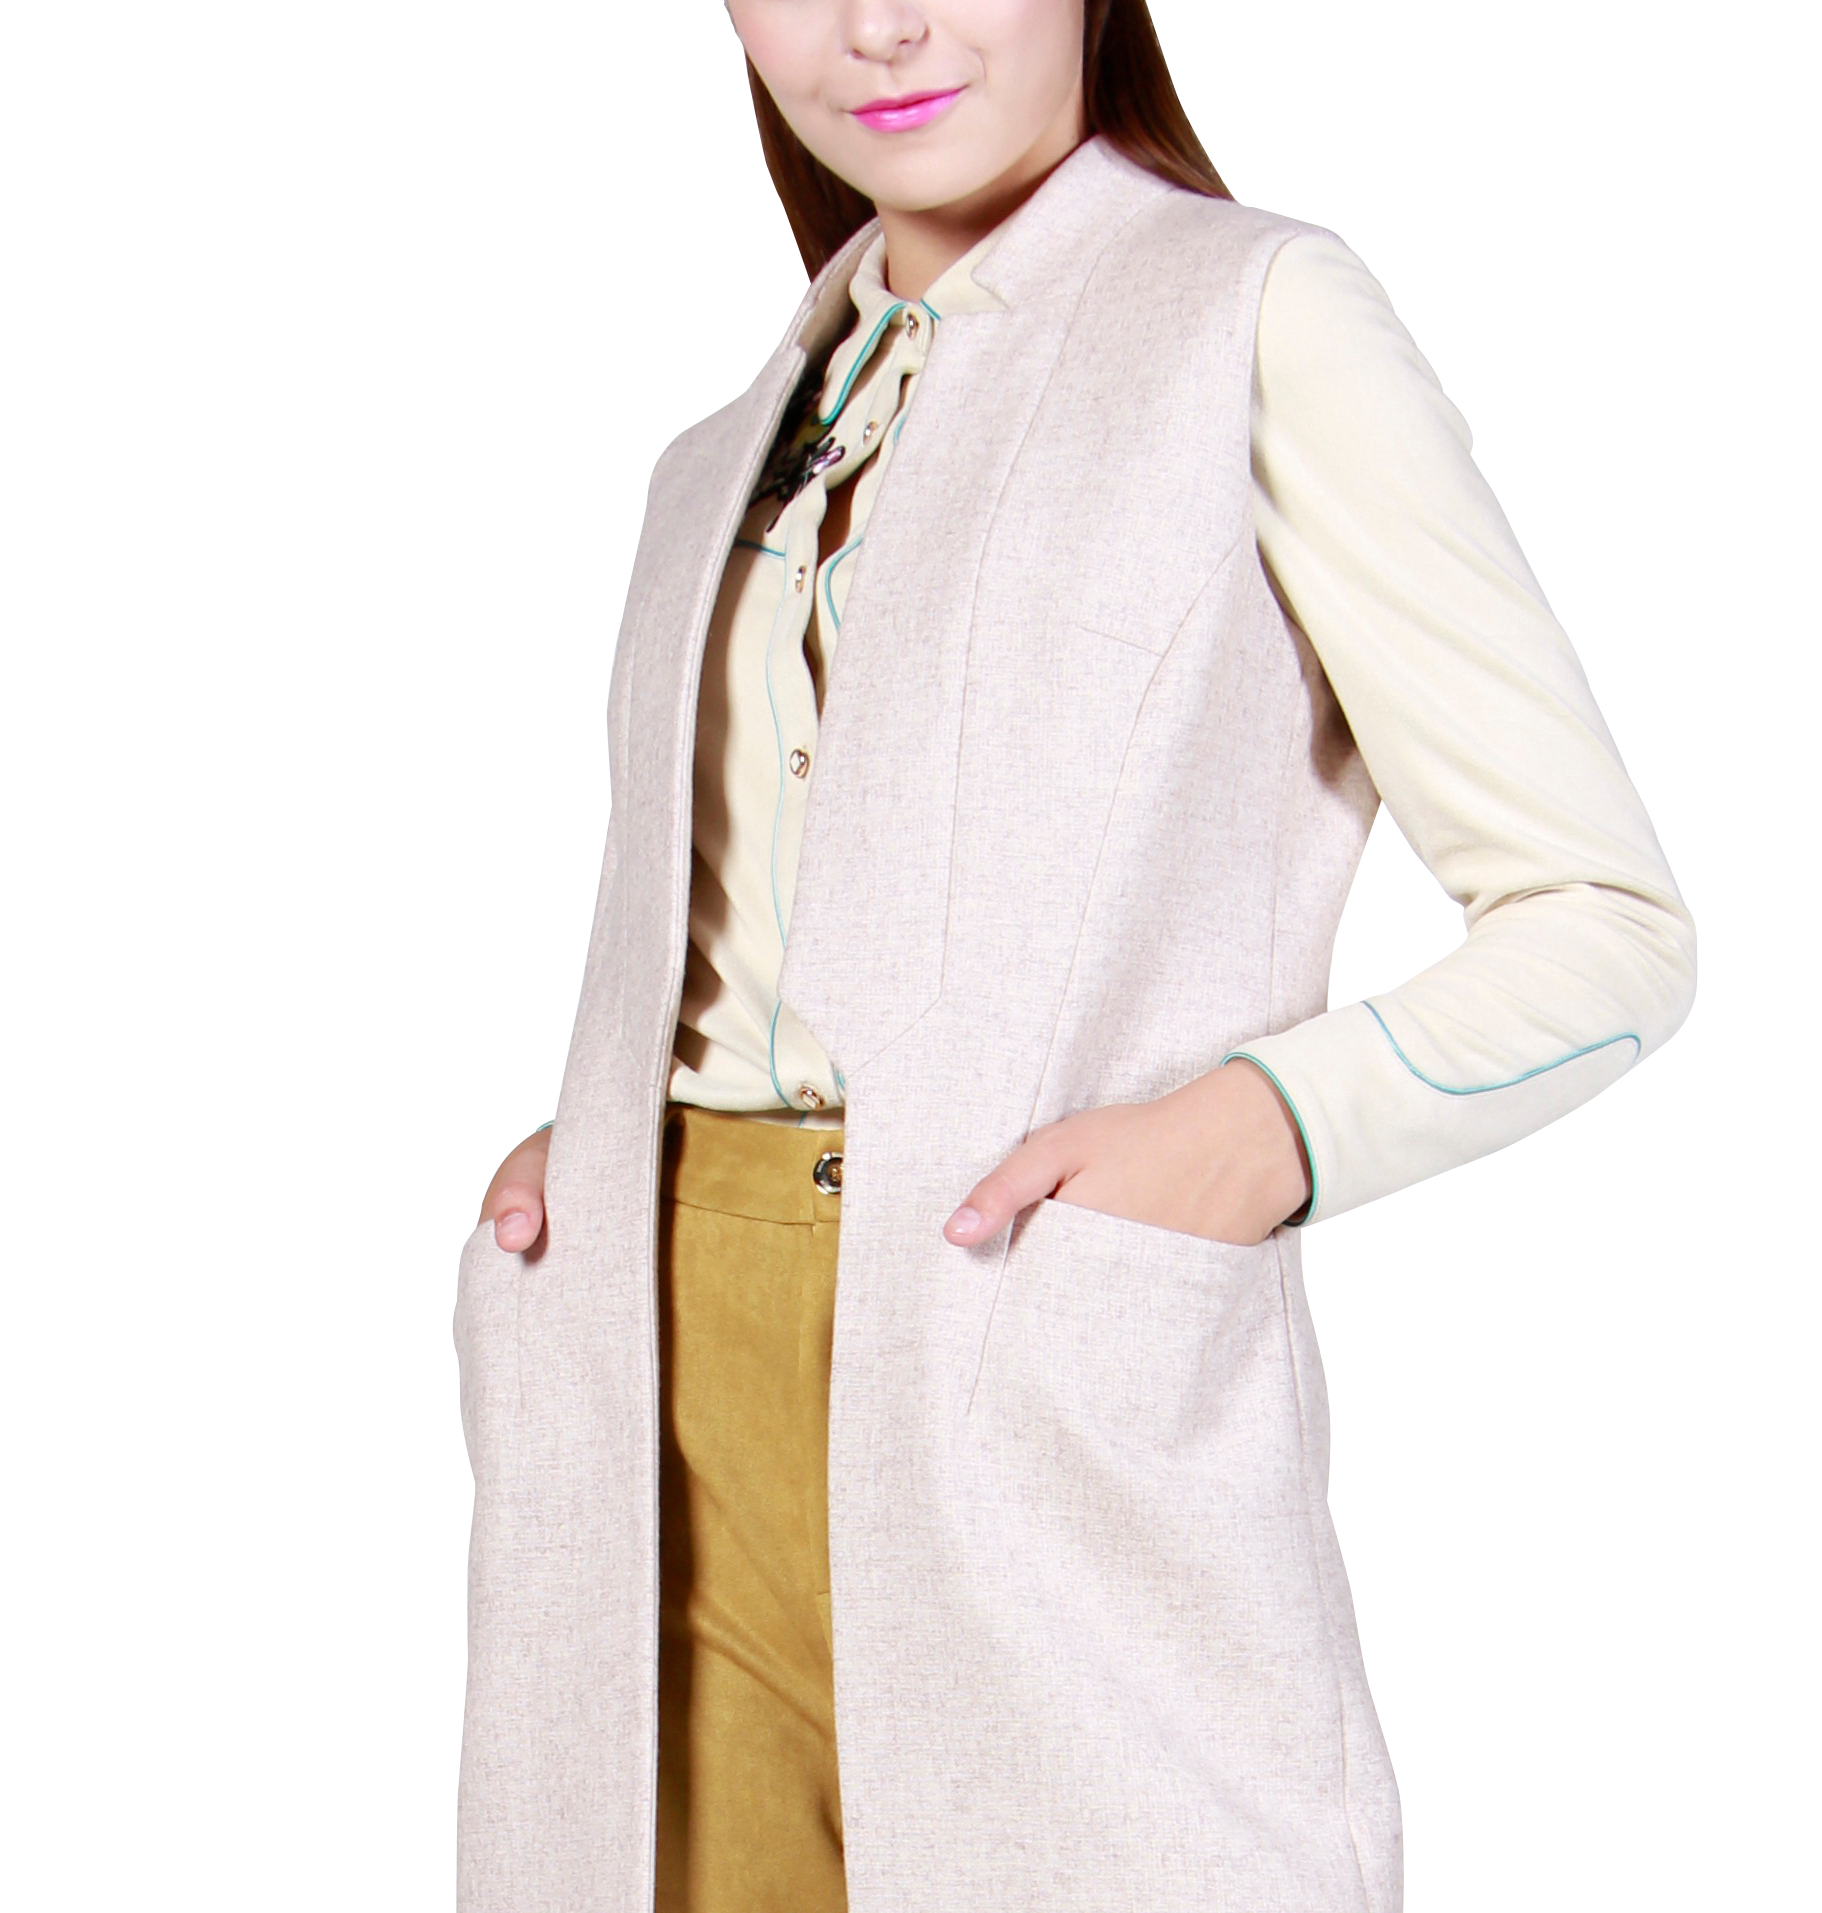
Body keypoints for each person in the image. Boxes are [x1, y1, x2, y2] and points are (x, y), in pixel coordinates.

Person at [460, 3, 1696, 1909]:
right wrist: (615, 1128)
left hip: (1026, 1368)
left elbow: (1601, 921)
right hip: (649, 1410)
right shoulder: (721, 452)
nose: (881, 26)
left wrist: (1254, 1132)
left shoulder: (1252, 320)